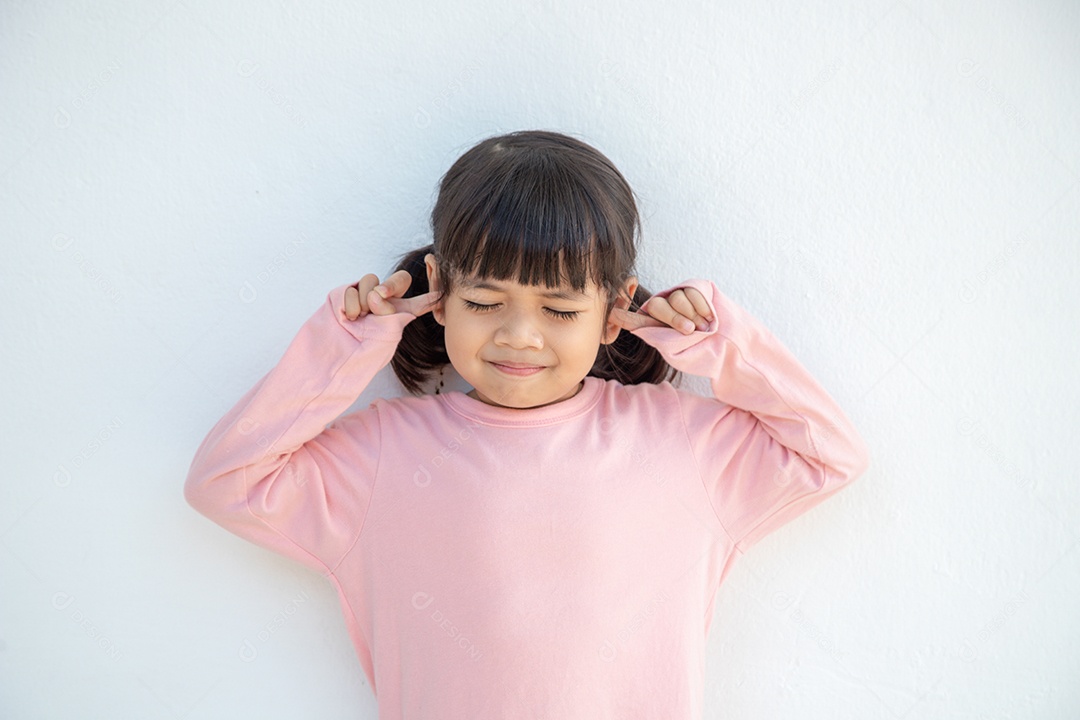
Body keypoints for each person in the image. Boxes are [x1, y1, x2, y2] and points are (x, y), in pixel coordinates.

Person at [184, 129, 870, 719]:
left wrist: (721, 341)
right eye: (485, 300)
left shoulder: (680, 445)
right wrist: (344, 347)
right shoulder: (383, 455)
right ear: (440, 296)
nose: (520, 336)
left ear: (614, 311)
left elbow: (828, 455)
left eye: (561, 311)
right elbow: (225, 482)